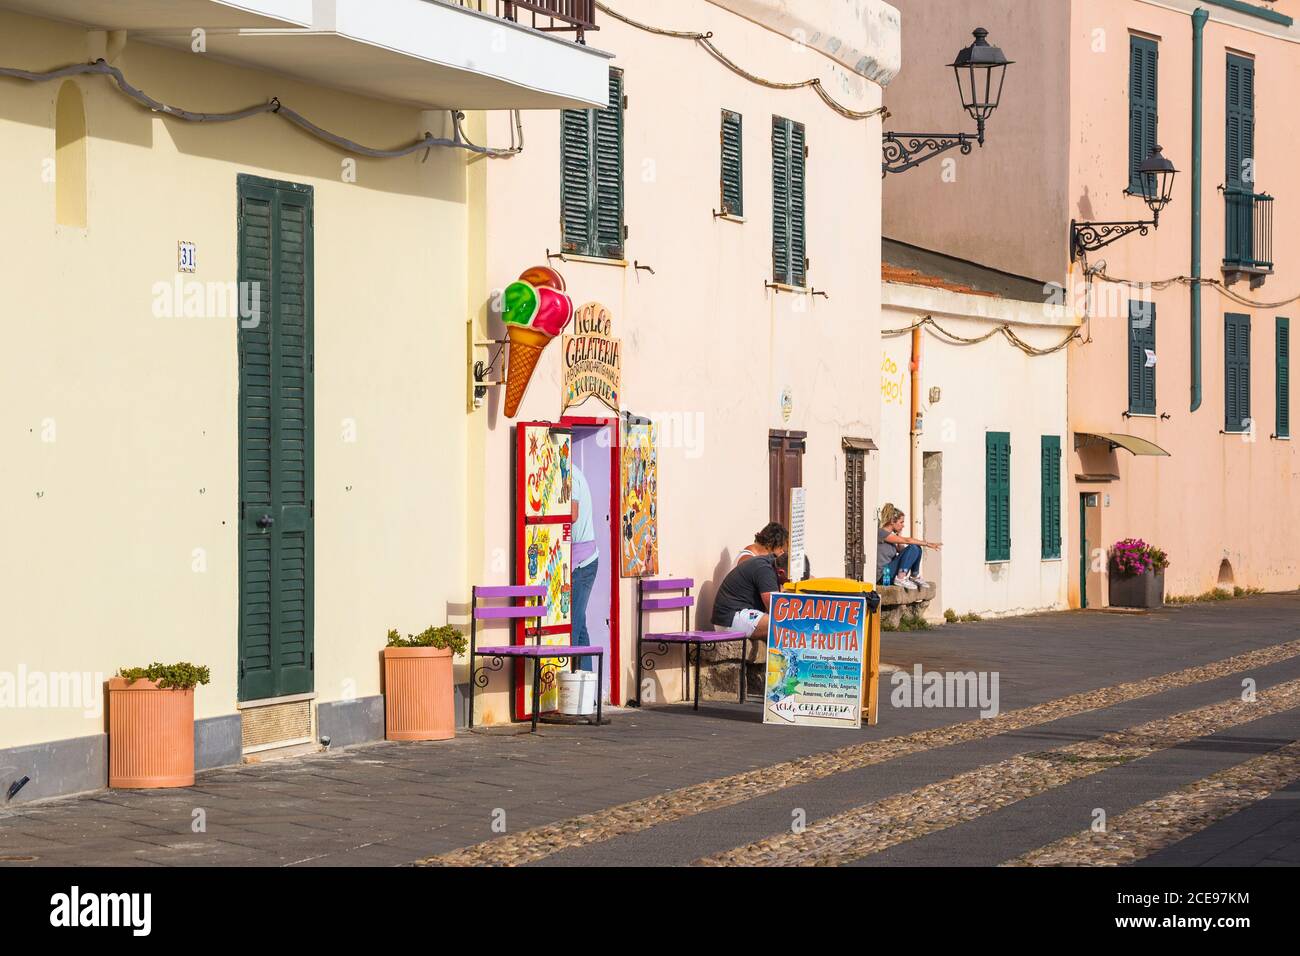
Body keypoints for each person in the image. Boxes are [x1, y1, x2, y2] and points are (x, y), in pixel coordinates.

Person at [712, 523, 787, 639]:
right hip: (732, 617)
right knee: (785, 624)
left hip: (740, 614)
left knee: (785, 623)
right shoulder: (753, 561)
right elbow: (773, 604)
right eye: (781, 548)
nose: (782, 552)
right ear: (772, 544)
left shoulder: (762, 562)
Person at [569, 463, 599, 672]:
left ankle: (567, 681)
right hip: (579, 559)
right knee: (579, 628)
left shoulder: (571, 476)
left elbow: (572, 515)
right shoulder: (574, 473)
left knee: (572, 624)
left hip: (582, 562)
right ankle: (586, 684)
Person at [877, 503, 940, 590]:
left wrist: (899, 534)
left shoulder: (891, 536)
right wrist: (928, 544)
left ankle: (914, 576)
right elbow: (907, 540)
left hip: (890, 572)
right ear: (892, 521)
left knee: (917, 548)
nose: (903, 525)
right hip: (883, 576)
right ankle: (900, 578)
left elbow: (903, 551)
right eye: (901, 522)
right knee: (913, 546)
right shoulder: (881, 533)